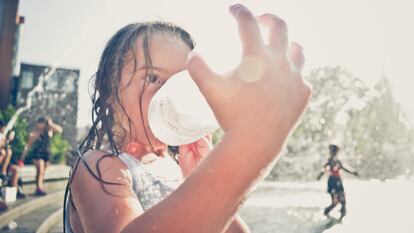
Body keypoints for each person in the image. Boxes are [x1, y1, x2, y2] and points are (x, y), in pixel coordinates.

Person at [64, 4, 311, 233]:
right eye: (153, 78)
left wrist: (203, 177)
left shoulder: (175, 166)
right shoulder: (101, 166)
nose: (171, 95)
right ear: (108, 89)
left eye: (183, 82)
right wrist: (245, 151)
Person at [21, 117, 63, 195]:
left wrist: (51, 123)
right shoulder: (34, 134)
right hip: (37, 154)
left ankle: (39, 187)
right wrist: (22, 158)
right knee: (40, 170)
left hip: (46, 153)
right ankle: (39, 188)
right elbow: (27, 146)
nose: (40, 126)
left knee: (42, 172)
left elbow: (60, 130)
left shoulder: (49, 131)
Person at [317, 144, 359, 221]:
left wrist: (353, 172)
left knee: (342, 201)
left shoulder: (337, 160)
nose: (335, 153)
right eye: (334, 151)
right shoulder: (330, 160)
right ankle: (326, 214)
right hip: (333, 182)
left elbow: (343, 168)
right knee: (336, 202)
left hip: (337, 181)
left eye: (335, 151)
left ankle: (341, 217)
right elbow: (324, 168)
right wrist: (320, 175)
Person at [0, 120, 26, 200]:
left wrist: (8, 140)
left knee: (16, 170)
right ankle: (3, 173)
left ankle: (14, 193)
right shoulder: (1, 136)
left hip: (5, 164)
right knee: (5, 152)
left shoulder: (3, 136)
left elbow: (5, 146)